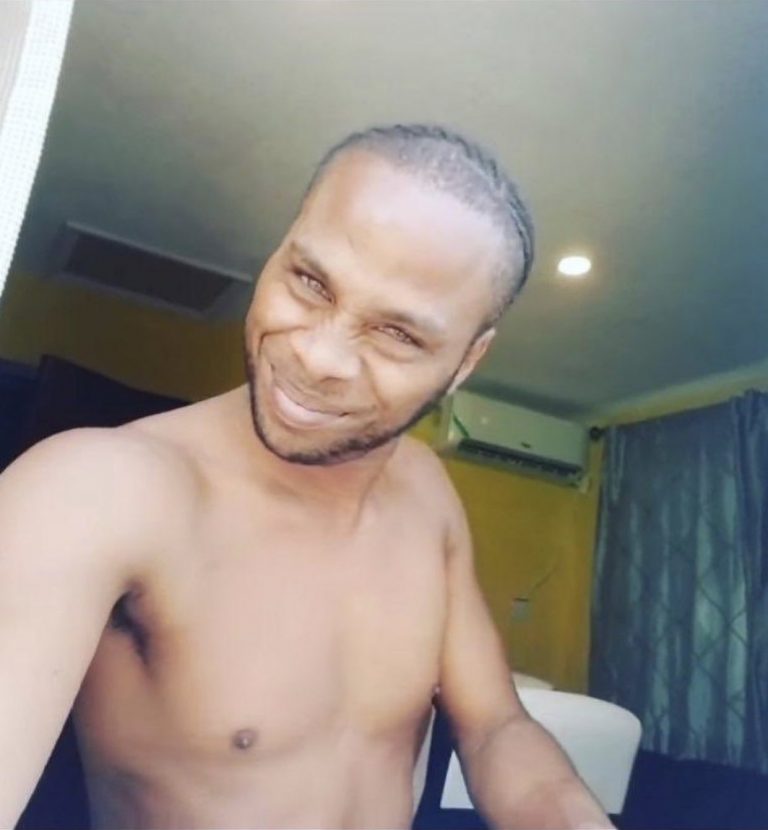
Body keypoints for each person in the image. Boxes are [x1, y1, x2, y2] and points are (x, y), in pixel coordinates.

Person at [0, 124, 612, 830]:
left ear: (466, 362)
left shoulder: (426, 490)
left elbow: (495, 726)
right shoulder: (95, 490)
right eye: (311, 282)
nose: (320, 357)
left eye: (398, 333)